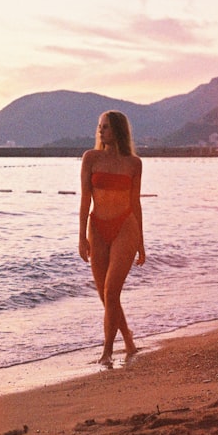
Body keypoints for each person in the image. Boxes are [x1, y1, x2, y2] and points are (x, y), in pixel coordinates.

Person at [78, 110, 146, 366]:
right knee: (106, 296)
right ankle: (128, 338)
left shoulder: (134, 164)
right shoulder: (90, 158)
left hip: (125, 227)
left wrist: (141, 242)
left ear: (118, 130)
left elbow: (135, 203)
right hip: (97, 228)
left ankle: (107, 351)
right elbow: (85, 199)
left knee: (112, 290)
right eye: (99, 127)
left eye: (105, 127)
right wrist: (81, 236)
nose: (100, 131)